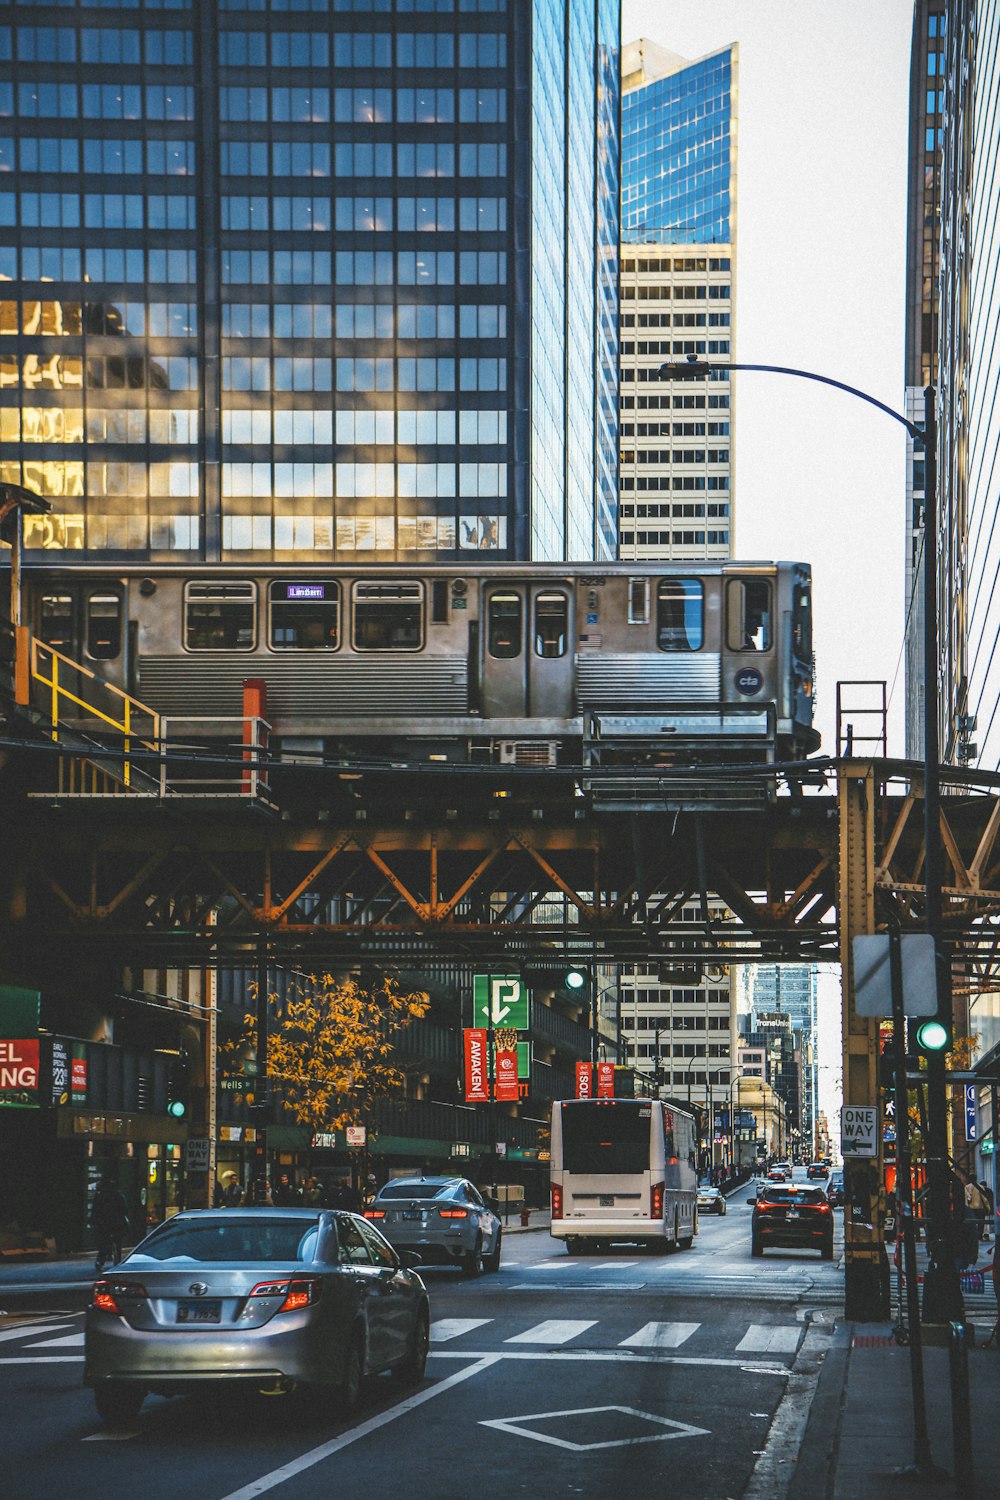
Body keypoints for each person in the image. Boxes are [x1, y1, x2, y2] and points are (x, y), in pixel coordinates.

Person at [92, 1176, 129, 1271]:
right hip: (117, 1223)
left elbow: (95, 1211)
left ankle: (100, 1262)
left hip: (104, 1224)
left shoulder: (100, 1196)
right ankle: (117, 1261)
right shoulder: (118, 1196)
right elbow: (124, 1210)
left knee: (104, 1244)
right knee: (118, 1243)